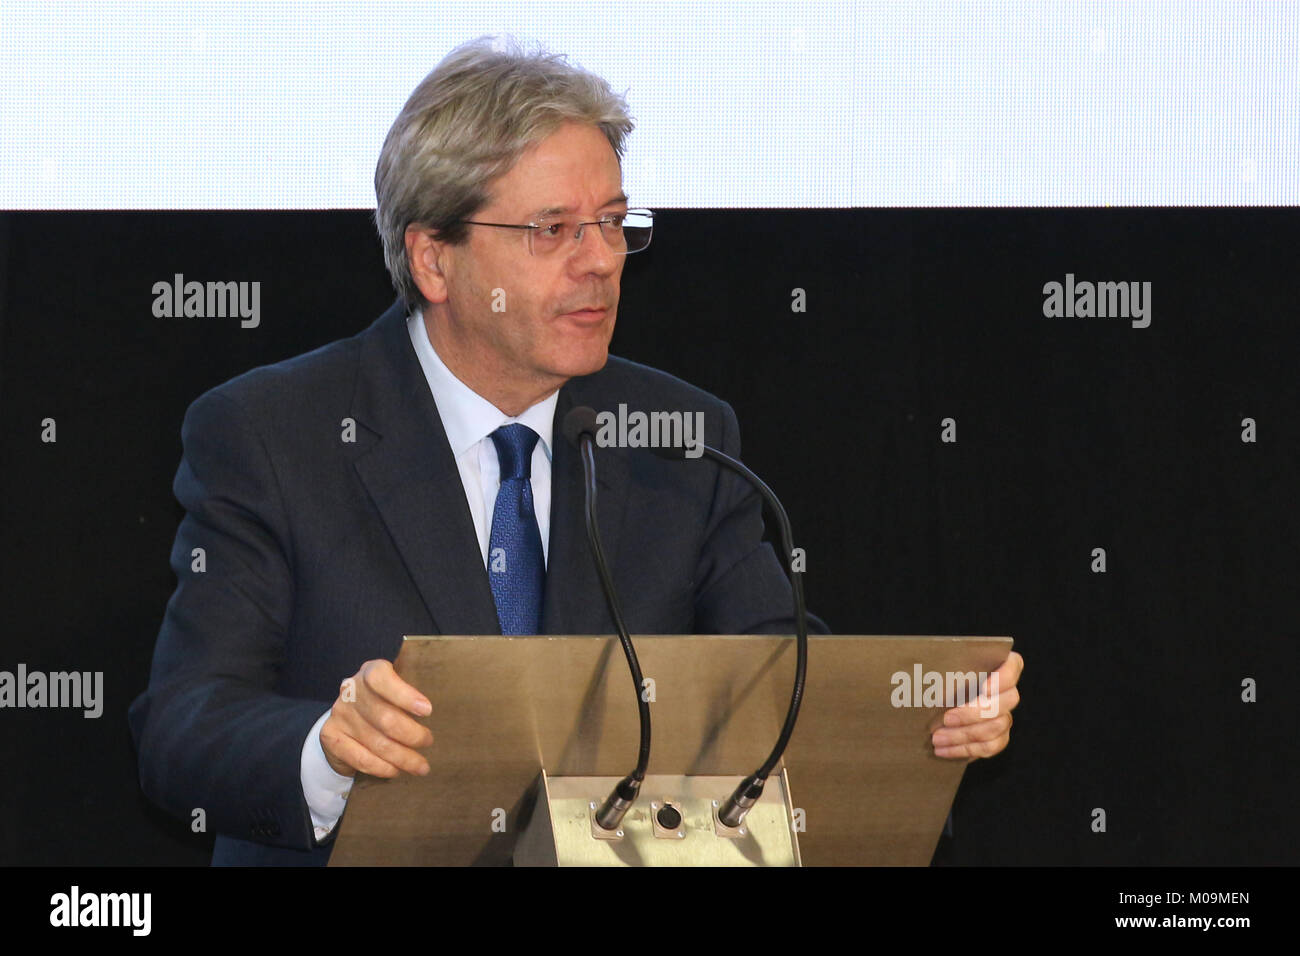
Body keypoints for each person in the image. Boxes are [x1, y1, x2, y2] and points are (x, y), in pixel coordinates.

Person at [128, 35, 1021, 866]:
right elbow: (183, 725)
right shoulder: (271, 432)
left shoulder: (679, 437)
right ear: (434, 260)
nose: (601, 262)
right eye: (552, 230)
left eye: (614, 222)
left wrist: (919, 716)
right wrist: (327, 750)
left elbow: (776, 682)